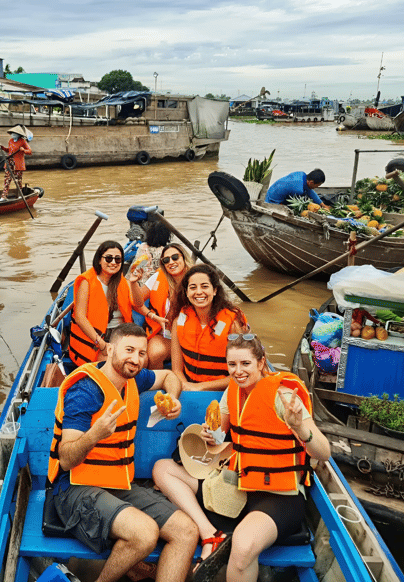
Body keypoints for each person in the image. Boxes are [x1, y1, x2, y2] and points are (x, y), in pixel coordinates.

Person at [152, 334, 330, 582]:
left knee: (244, 547)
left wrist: (300, 428)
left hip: (279, 497)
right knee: (163, 469)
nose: (238, 371)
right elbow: (218, 437)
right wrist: (210, 435)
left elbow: (324, 452)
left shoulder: (284, 396)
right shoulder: (232, 392)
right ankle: (211, 535)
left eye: (245, 364)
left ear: (261, 362)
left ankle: (229, 543)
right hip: (237, 485)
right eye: (232, 365)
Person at [48, 322, 199, 582]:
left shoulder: (133, 377)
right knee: (145, 532)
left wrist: (173, 397)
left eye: (142, 353)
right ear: (109, 348)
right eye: (129, 350)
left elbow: (167, 376)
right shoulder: (85, 392)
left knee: (186, 530)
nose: (136, 359)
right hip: (74, 488)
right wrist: (96, 434)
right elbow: (66, 457)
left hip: (115, 482)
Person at [169, 264, 249, 391]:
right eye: (193, 287)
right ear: (187, 292)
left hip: (223, 391)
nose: (199, 292)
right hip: (189, 387)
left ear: (215, 290)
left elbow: (244, 373)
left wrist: (199, 387)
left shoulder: (232, 324)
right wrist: (186, 387)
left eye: (205, 286)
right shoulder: (178, 321)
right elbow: (177, 369)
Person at [69, 241, 138, 367]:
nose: (113, 263)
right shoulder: (87, 282)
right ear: (99, 260)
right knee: (112, 365)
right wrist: (100, 343)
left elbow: (138, 305)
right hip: (96, 336)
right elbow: (80, 317)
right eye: (108, 258)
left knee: (139, 360)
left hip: (120, 333)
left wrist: (134, 283)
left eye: (118, 259)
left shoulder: (123, 282)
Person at [127, 243, 190, 371]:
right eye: (166, 260)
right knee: (148, 356)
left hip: (190, 338)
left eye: (175, 257)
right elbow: (136, 302)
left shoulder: (196, 278)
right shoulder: (158, 276)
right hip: (164, 336)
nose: (171, 262)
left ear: (184, 258)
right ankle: (156, 384)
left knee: (154, 352)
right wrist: (133, 283)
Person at [0, 125, 32, 199]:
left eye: (14, 133)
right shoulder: (10, 141)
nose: (12, 135)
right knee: (7, 180)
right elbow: (9, 150)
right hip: (9, 162)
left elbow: (30, 151)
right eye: (12, 133)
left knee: (18, 180)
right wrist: (3, 148)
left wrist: (23, 150)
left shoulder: (23, 141)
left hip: (18, 164)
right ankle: (4, 196)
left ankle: (20, 194)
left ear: (18, 134)